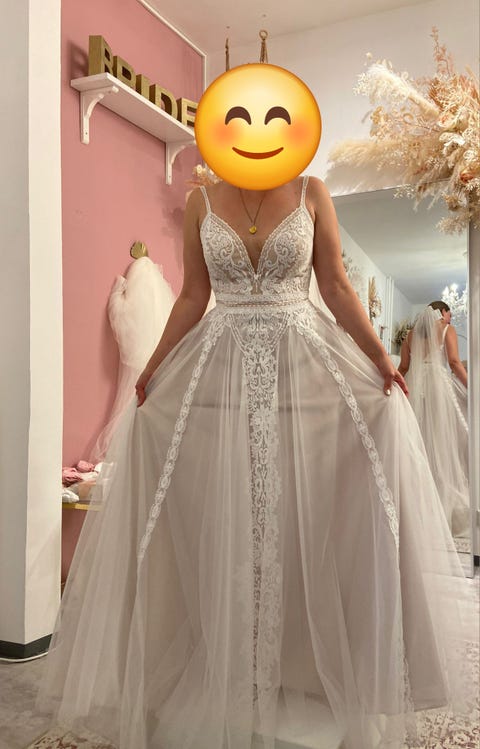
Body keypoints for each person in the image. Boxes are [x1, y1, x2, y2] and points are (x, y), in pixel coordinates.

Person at [38, 176, 470, 749]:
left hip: (306, 364)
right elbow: (192, 296)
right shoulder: (200, 201)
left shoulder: (312, 191)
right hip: (219, 365)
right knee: (228, 512)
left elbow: (335, 286)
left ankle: (304, 666)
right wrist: (153, 368)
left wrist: (379, 360)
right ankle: (232, 660)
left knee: (304, 510)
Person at [399, 301, 469, 536]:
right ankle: (442, 506)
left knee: (420, 443)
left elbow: (404, 368)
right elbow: (454, 363)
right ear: (443, 312)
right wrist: (472, 389)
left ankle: (418, 507)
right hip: (438, 389)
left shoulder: (409, 336)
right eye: (450, 314)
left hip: (416, 387)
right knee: (443, 445)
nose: (450, 318)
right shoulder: (447, 329)